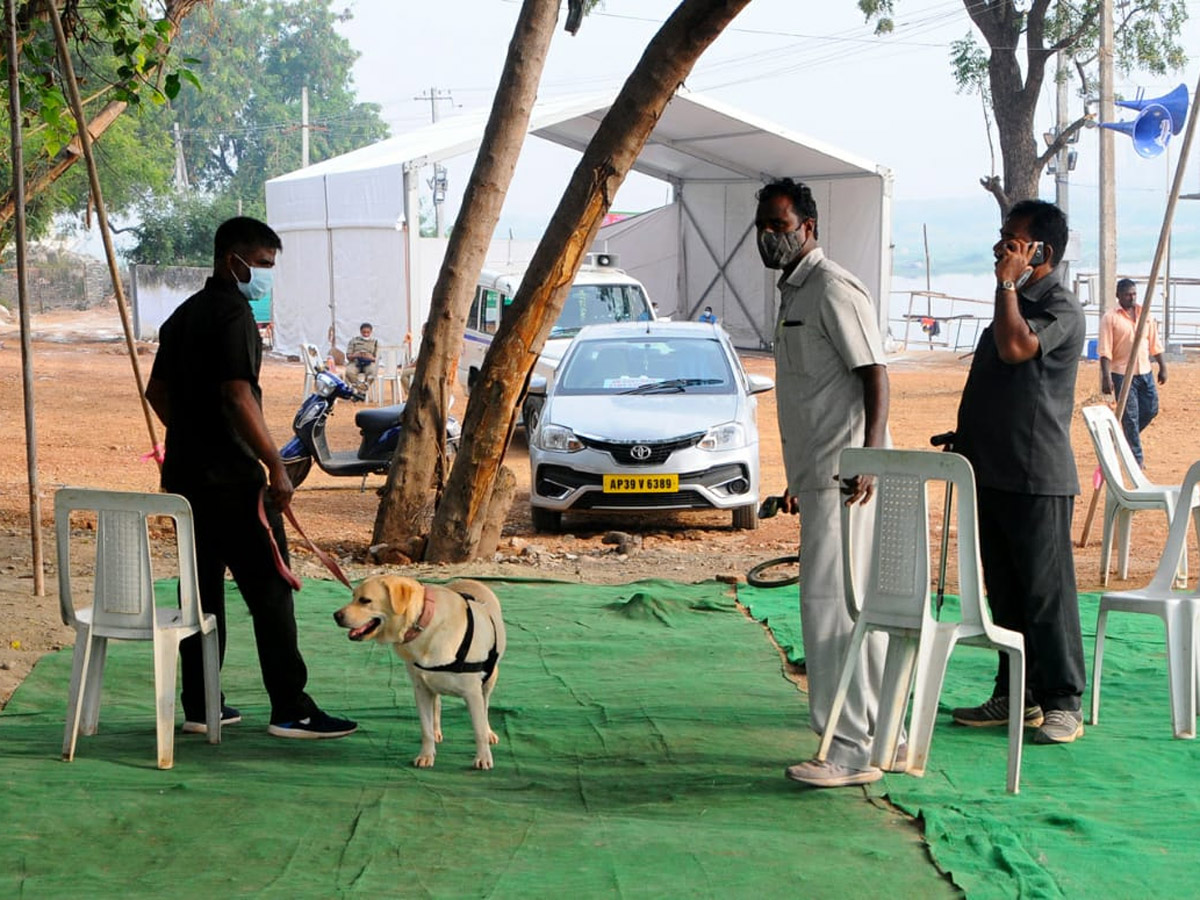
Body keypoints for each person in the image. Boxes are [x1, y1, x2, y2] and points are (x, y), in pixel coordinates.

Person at [145, 216, 358, 740]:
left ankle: (200, 704)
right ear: (232, 259)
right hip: (234, 484)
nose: (265, 276)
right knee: (270, 590)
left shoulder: (181, 315)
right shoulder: (234, 315)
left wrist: (193, 435)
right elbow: (238, 395)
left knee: (201, 592)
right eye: (262, 265)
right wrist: (273, 464)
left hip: (184, 478)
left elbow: (157, 393)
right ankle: (291, 708)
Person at [755, 178, 893, 788]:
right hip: (819, 478)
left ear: (808, 228)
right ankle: (864, 738)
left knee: (834, 611)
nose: (769, 237)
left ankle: (848, 749)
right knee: (838, 608)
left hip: (848, 479)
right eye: (763, 226)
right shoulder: (794, 293)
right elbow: (816, 395)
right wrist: (797, 479)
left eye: (780, 226)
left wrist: (866, 454)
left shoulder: (832, 287)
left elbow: (874, 374)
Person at [950, 199, 1087, 745]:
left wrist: (1007, 286)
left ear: (1040, 252)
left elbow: (1014, 350)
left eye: (1012, 240)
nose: (999, 249)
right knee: (1004, 591)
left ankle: (1063, 700)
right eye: (1002, 238)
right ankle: (1017, 693)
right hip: (991, 469)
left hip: (1037, 474)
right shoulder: (1019, 297)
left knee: (1045, 592)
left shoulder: (1060, 307)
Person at [1098, 277, 1167, 467]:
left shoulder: (1145, 314)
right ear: (1118, 296)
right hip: (1121, 373)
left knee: (1151, 409)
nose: (1132, 297)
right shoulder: (1110, 317)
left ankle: (1126, 437)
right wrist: (1106, 377)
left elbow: (1154, 343)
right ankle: (1136, 459)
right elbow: (1105, 350)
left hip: (1145, 371)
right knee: (1130, 415)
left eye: (1134, 294)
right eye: (1128, 294)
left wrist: (1162, 367)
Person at [344, 322, 379, 390]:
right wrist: (356, 355)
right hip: (355, 362)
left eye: (368, 332)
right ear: (360, 332)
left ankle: (362, 389)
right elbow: (348, 356)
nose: (366, 334)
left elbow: (377, 358)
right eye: (364, 332)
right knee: (349, 372)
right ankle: (361, 388)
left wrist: (369, 357)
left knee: (373, 372)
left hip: (369, 362)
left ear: (371, 332)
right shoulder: (354, 341)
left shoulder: (375, 342)